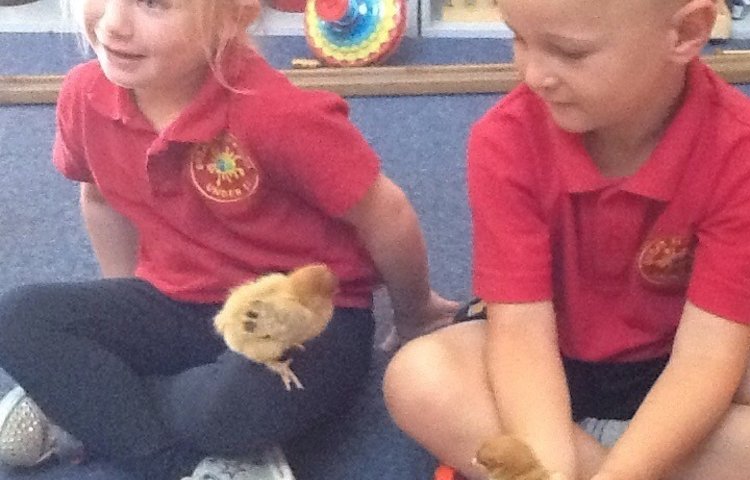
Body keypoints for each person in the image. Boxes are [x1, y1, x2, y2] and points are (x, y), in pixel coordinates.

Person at [0, 0, 457, 479]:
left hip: (304, 318)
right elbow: (100, 200)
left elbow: (386, 213)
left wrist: (415, 312)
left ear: (235, 17)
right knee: (19, 318)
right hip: (176, 302)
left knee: (226, 408)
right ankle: (172, 453)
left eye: (155, 4)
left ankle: (93, 411)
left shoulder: (278, 114)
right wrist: (123, 309)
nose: (113, 24)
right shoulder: (83, 95)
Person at [383, 0, 750, 479]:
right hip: (545, 365)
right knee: (419, 379)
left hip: (679, 369)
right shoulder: (504, 140)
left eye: (569, 53)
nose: (533, 75)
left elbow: (706, 360)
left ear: (686, 33)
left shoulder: (736, 150)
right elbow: (520, 336)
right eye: (517, 37)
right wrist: (549, 470)